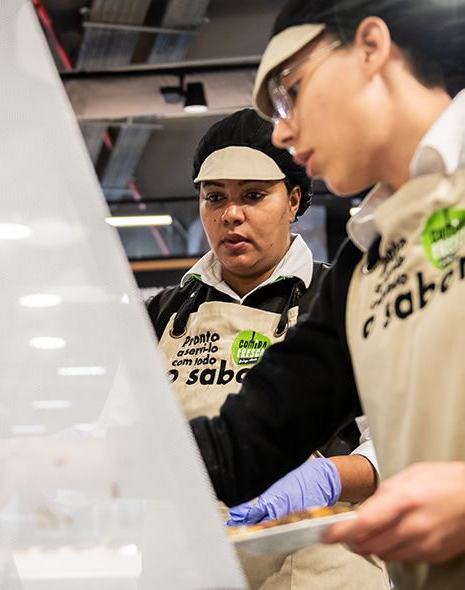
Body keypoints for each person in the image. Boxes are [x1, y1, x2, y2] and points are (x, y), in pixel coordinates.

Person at [188, 1, 465, 590]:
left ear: (370, 48)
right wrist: (68, 461)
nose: (283, 131)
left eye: (289, 93)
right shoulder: (365, 263)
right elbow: (243, 444)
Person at [146, 108, 389, 589]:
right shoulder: (159, 316)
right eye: (214, 197)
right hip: (187, 567)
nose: (230, 214)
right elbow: (126, 441)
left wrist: (323, 481)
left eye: (253, 196)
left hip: (319, 568)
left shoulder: (344, 297)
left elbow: (399, 443)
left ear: (294, 200)